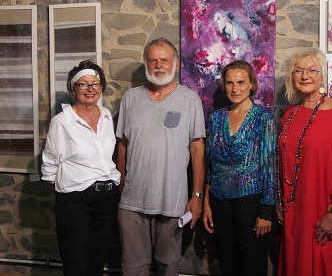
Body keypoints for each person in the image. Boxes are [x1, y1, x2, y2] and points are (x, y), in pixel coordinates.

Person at [116, 37, 206, 276]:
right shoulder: (130, 99)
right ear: (146, 63)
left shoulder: (190, 99)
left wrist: (197, 195)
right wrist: (120, 183)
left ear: (174, 63)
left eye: (164, 60)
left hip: (172, 201)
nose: (159, 65)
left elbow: (197, 149)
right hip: (132, 202)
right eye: (153, 60)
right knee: (133, 269)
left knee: (168, 266)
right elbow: (122, 145)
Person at [276, 47, 332, 276]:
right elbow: (284, 162)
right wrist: (281, 200)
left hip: (323, 210)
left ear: (323, 76)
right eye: (298, 70)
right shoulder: (289, 114)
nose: (305, 76)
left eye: (312, 70)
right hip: (294, 209)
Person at [41, 59, 120, 276]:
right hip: (75, 198)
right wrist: (65, 192)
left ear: (101, 87)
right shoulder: (61, 122)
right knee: (76, 260)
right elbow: (49, 165)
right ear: (73, 88)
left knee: (97, 257)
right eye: (83, 84)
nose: (90, 89)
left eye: (95, 84)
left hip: (106, 196)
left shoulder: (105, 117)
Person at [202, 60, 277, 276]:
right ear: (224, 85)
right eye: (230, 83)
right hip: (219, 201)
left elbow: (270, 167)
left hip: (251, 204)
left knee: (252, 264)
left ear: (252, 84)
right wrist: (207, 204)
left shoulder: (264, 118)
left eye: (241, 82)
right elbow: (210, 166)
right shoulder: (216, 118)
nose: (235, 89)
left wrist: (266, 212)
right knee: (227, 264)